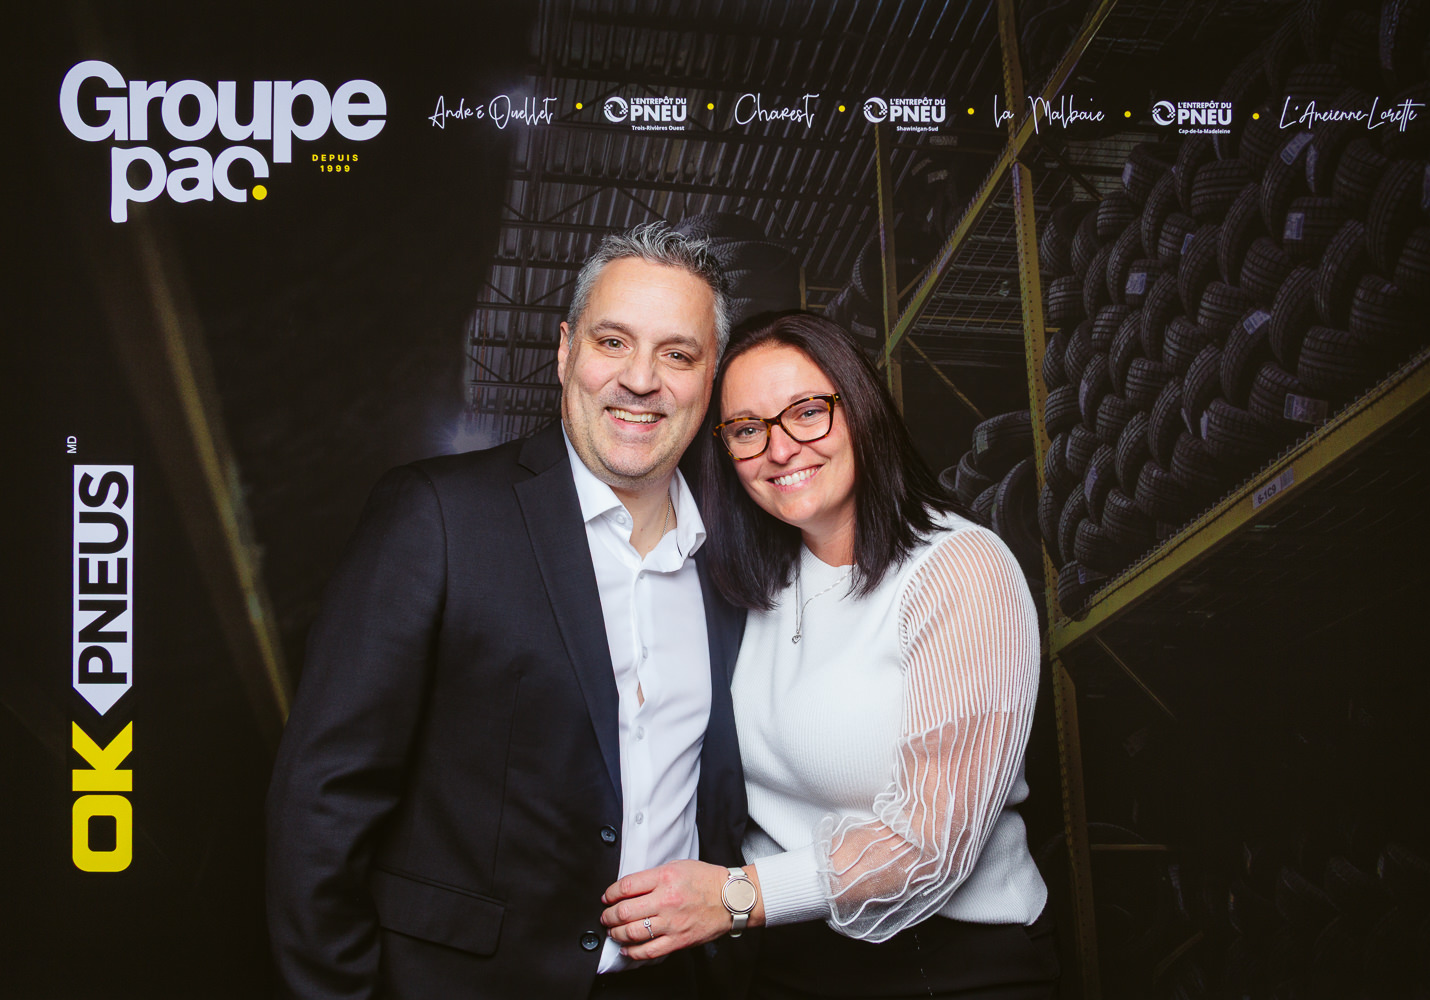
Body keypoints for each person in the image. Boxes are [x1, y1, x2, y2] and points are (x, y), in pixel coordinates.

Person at [265, 222, 750, 1000]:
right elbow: (323, 798)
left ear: (711, 376)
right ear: (565, 351)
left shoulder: (732, 564)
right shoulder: (438, 515)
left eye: (677, 354)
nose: (640, 379)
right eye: (613, 342)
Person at [600, 313, 1058, 999]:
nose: (781, 449)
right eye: (747, 429)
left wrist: (733, 896)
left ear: (860, 409)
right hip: (783, 960)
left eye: (808, 412)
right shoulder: (753, 584)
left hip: (948, 966)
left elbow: (932, 845)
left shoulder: (960, 570)